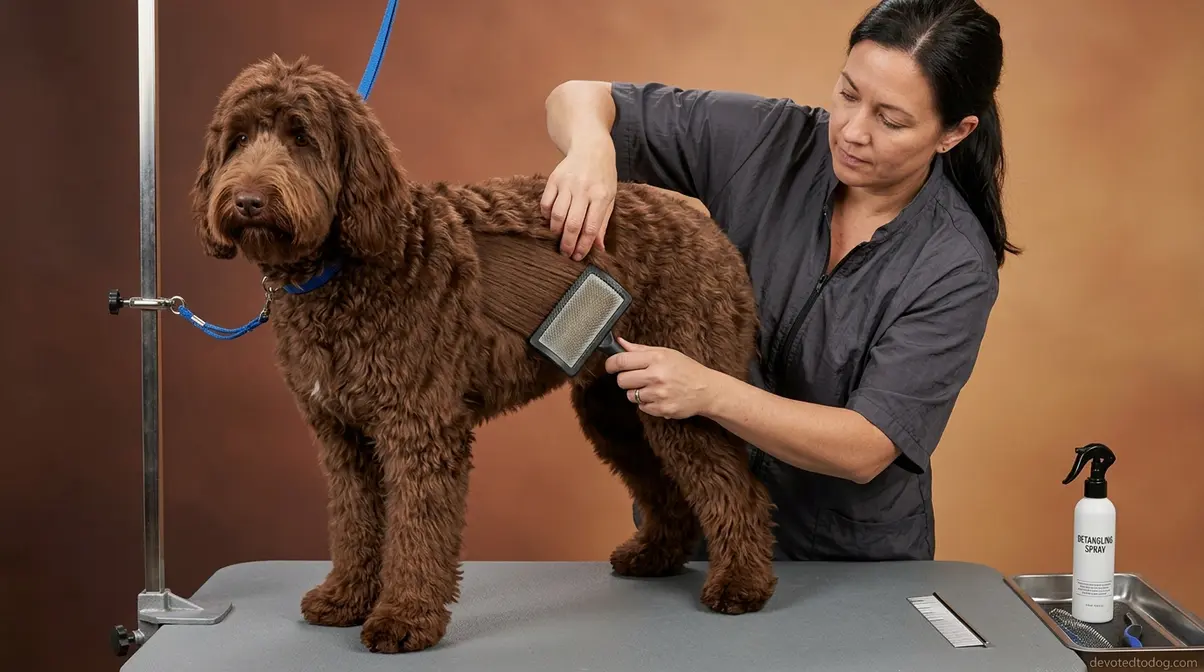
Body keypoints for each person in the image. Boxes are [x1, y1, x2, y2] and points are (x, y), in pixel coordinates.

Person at [539, 0, 1019, 562]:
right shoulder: (769, 141)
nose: (852, 132)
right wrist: (593, 149)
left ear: (954, 133)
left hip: (846, 567)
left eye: (890, 120)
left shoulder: (954, 264)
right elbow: (576, 97)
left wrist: (707, 392)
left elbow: (866, 446)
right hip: (698, 540)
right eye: (846, 94)